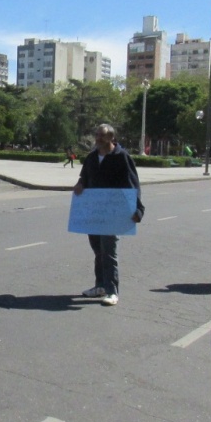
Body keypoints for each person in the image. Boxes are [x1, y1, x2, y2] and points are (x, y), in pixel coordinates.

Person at [73, 124, 144, 306]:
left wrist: (138, 210)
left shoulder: (121, 157)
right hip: (94, 212)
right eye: (96, 135)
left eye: (101, 136)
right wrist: (80, 184)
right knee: (98, 251)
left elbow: (132, 184)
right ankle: (100, 286)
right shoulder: (91, 157)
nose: (97, 139)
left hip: (113, 212)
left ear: (111, 138)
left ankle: (112, 291)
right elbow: (84, 178)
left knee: (108, 252)